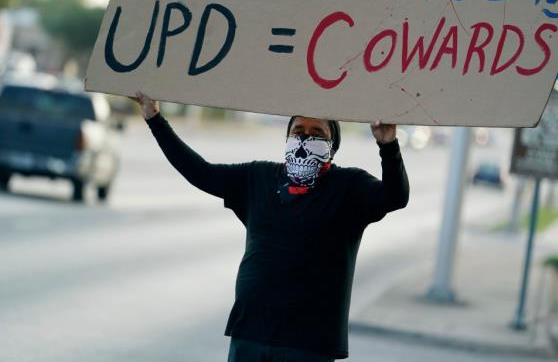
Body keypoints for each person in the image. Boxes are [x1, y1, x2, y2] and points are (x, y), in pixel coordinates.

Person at [131, 91, 410, 361]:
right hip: (250, 333)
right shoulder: (258, 177)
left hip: (310, 344)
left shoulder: (349, 186)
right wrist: (154, 118)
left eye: (317, 133)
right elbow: (200, 172)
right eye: (298, 130)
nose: (304, 138)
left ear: (332, 147)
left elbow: (395, 197)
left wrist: (388, 144)